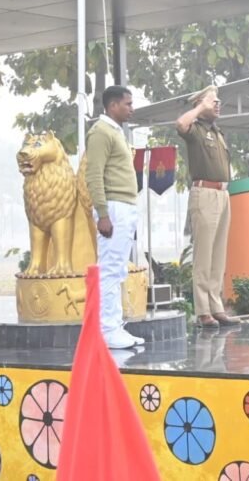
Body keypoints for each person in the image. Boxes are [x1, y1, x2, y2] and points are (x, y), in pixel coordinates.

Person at [85, 85, 144, 349]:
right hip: (113, 207)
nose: (132, 109)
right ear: (112, 106)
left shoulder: (116, 131)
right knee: (109, 269)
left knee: (118, 269)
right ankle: (108, 330)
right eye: (127, 104)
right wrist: (103, 214)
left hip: (125, 205)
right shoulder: (101, 132)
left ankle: (115, 327)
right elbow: (93, 174)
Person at [177, 85, 240, 329]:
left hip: (223, 194)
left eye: (217, 100)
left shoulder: (217, 132)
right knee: (203, 256)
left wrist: (207, 103)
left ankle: (216, 306)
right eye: (212, 101)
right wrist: (200, 107)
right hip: (204, 193)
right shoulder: (196, 130)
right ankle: (203, 311)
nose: (218, 104)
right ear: (200, 104)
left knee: (218, 255)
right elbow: (180, 124)